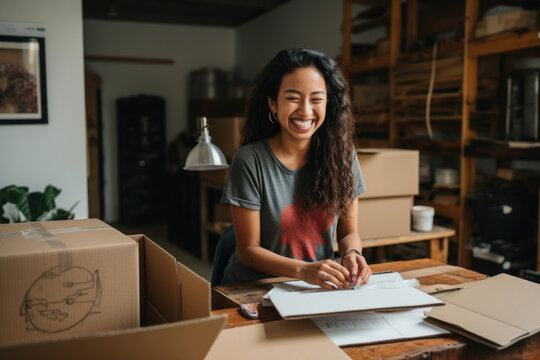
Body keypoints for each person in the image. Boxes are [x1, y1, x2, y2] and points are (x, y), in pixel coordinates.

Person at [220, 48, 371, 289]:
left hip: (316, 287)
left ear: (328, 103)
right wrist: (303, 270)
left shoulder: (343, 156)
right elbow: (248, 251)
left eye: (316, 99)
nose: (306, 110)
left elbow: (347, 233)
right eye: (293, 98)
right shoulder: (249, 160)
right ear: (273, 104)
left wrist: (352, 253)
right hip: (253, 288)